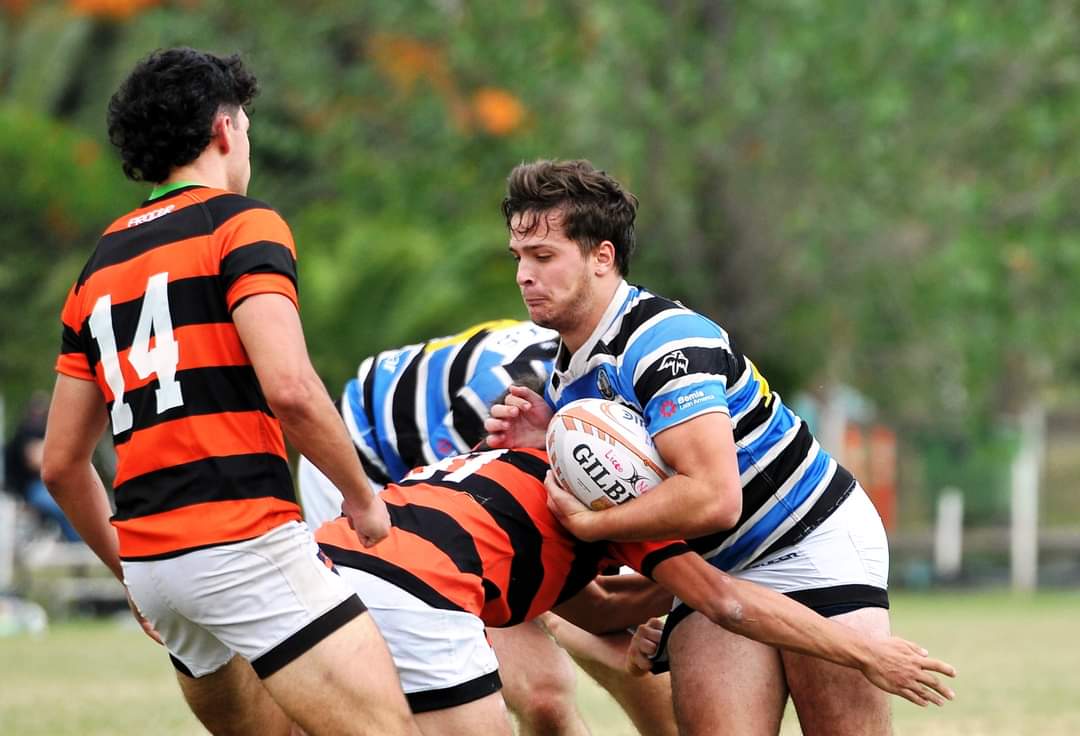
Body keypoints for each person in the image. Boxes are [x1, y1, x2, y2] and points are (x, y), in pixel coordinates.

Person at [485, 159, 948, 735]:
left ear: (602, 257)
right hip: (717, 569)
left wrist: (593, 526)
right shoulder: (567, 377)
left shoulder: (667, 340)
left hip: (808, 538)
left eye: (544, 257)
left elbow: (712, 499)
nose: (525, 275)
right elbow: (639, 474)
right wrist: (549, 439)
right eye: (520, 258)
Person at [41, 47, 417, 736]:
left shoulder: (97, 268)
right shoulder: (242, 225)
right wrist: (364, 499)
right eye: (245, 123)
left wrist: (129, 574)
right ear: (223, 130)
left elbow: (62, 465)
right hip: (242, 539)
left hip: (156, 567)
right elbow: (293, 389)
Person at [313, 447, 954, 736]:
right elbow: (727, 602)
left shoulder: (511, 475)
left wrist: (669, 603)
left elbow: (597, 607)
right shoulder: (605, 493)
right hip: (416, 593)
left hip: (318, 570)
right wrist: (865, 652)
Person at [299, 320, 673, 736]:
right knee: (541, 692)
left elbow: (602, 604)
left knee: (609, 645)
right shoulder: (514, 402)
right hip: (357, 466)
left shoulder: (616, 399)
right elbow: (466, 525)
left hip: (442, 492)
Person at [3, 392, 80, 542]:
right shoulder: (26, 432)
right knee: (63, 506)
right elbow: (38, 462)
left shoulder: (40, 431)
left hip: (41, 486)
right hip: (27, 489)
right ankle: (76, 543)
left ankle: (76, 543)